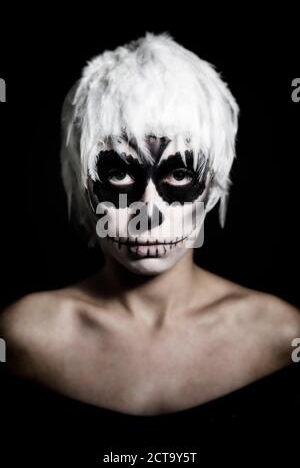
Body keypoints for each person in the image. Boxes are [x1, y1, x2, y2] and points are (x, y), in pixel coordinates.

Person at [0, 32, 299, 417]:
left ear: (213, 183)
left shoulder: (282, 337)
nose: (148, 214)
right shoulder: (21, 339)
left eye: (178, 175)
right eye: (119, 174)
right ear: (80, 179)